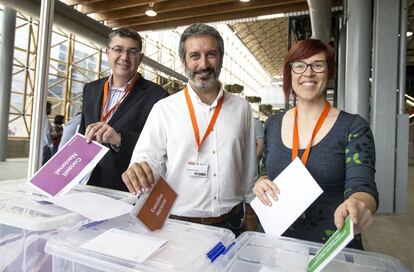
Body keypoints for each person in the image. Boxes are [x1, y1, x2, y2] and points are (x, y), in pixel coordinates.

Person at [122, 23, 257, 236]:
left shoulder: (241, 108)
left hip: (231, 224)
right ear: (184, 60)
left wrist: (251, 212)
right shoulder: (164, 109)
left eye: (211, 54)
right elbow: (147, 158)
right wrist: (139, 170)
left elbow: (249, 166)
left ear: (221, 57)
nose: (203, 64)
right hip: (178, 225)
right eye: (195, 55)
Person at [253, 39, 378, 249]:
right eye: (299, 65)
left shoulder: (353, 127)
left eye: (318, 65)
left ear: (329, 73)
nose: (308, 73)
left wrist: (359, 204)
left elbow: (362, 186)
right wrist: (261, 181)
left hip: (329, 247)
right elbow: (266, 170)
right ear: (289, 73)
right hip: (274, 243)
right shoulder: (273, 124)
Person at [79, 28, 168, 191]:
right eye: (118, 49)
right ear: (107, 53)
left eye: (132, 51)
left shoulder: (158, 96)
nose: (124, 57)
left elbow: (161, 146)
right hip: (88, 183)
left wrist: (119, 139)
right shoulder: (91, 89)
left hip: (126, 187)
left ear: (140, 58)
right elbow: (82, 133)